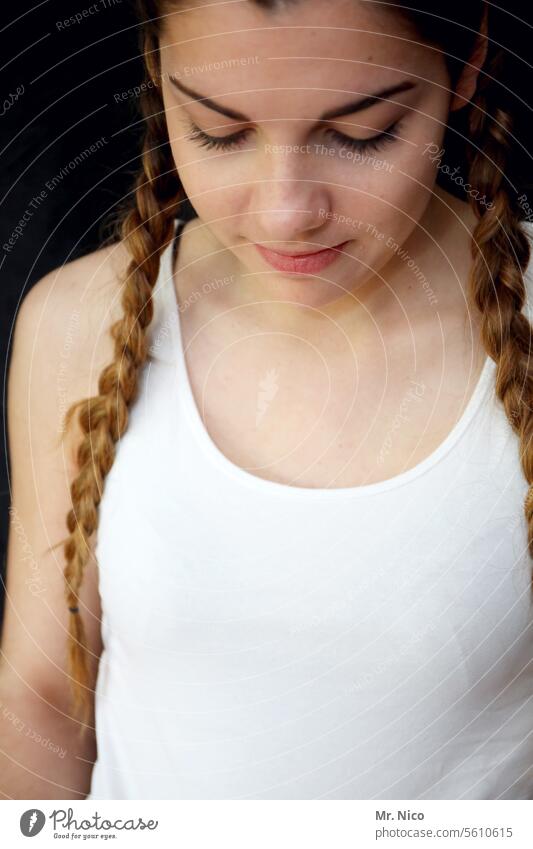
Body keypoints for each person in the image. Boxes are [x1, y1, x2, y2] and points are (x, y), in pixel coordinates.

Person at [2, 0, 533, 800]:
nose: (287, 212)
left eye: (361, 133)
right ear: (156, 71)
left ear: (465, 66)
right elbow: (41, 700)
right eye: (220, 132)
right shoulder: (78, 323)